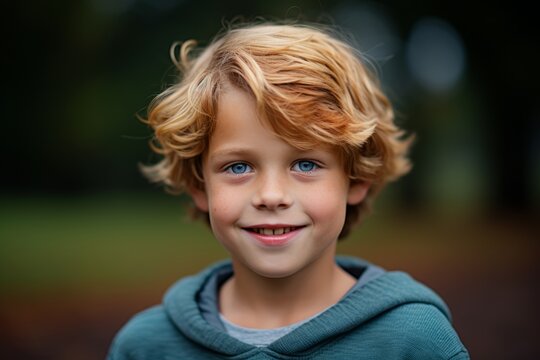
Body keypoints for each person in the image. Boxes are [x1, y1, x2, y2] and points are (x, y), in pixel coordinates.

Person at [107, 22, 469, 359]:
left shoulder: (414, 340)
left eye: (306, 164)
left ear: (357, 179)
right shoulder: (144, 347)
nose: (271, 195)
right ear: (198, 185)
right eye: (238, 167)